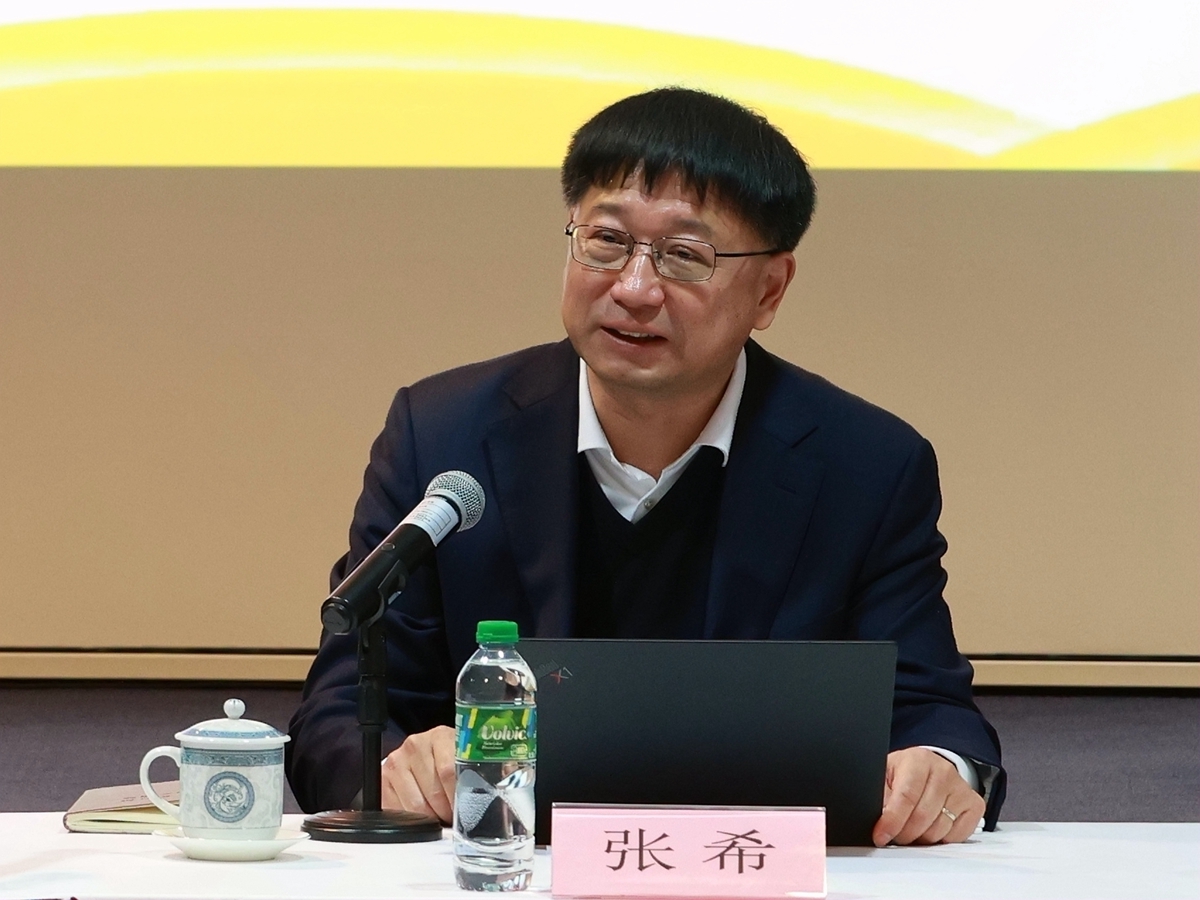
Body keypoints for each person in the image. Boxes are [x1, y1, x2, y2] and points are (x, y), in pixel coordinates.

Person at [287, 87, 1005, 846]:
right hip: (504, 870)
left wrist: (940, 769)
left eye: (684, 256)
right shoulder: (444, 435)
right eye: (605, 241)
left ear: (769, 290)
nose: (632, 289)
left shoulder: (865, 466)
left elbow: (934, 712)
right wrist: (397, 766)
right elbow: (339, 713)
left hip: (753, 873)